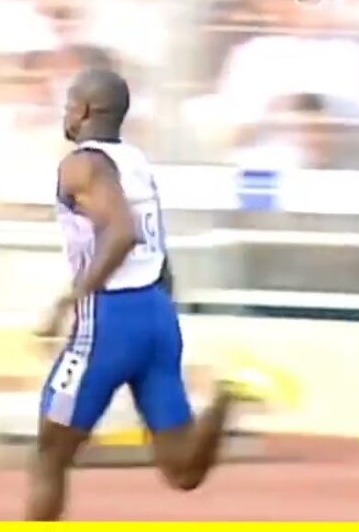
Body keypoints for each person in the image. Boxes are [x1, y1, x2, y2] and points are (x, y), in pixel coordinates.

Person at [27, 68, 259, 521]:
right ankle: (228, 396)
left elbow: (123, 233)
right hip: (155, 312)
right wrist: (161, 310)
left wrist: (67, 302)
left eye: (69, 104)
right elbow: (155, 243)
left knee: (50, 456)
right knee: (182, 468)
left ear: (84, 110)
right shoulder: (134, 161)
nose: (65, 113)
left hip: (110, 319)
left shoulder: (81, 164)